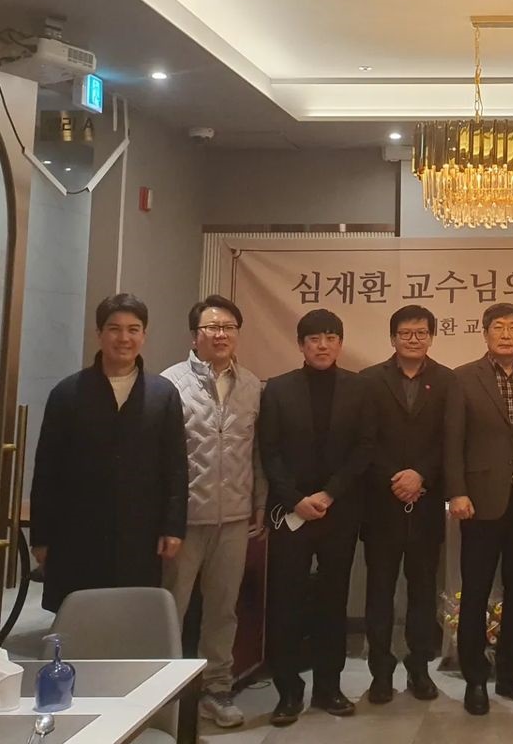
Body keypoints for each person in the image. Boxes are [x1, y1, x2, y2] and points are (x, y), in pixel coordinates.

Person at [30, 293, 187, 614]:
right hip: (77, 528)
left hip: (140, 530)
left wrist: (173, 527)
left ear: (144, 335)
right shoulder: (67, 393)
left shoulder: (163, 394)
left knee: (130, 616)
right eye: (114, 329)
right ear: (99, 333)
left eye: (133, 329)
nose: (124, 338)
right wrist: (41, 536)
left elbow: (175, 467)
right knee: (78, 617)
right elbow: (47, 469)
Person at [259, 309, 371, 727]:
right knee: (286, 601)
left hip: (339, 511)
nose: (322, 346)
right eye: (313, 339)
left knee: (333, 600)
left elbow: (364, 448)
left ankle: (329, 687)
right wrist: (295, 499)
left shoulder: (359, 388)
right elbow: (268, 451)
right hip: (291, 513)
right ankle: (288, 692)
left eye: (330, 338)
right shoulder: (278, 389)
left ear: (340, 343)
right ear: (301, 345)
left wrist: (329, 493)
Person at [161, 295, 267, 729]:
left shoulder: (253, 386)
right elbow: (159, 459)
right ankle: (161, 697)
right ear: (195, 336)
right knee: (170, 609)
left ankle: (216, 690)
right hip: (183, 522)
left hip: (234, 518)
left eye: (229, 327)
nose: (221, 334)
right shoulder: (169, 384)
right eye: (212, 327)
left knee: (223, 610)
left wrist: (259, 502)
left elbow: (258, 453)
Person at [445, 302, 513, 716]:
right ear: (485, 332)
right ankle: (475, 679)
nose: (506, 334)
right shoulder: (462, 377)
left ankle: (511, 673)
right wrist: (457, 491)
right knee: (475, 591)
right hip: (479, 501)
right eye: (498, 327)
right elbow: (452, 440)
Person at [358, 305, 455, 703]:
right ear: (392, 338)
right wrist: (395, 478)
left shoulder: (447, 380)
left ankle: (419, 669)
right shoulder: (369, 380)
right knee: (379, 594)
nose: (413, 339)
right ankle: (380, 673)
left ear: (431, 337)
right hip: (381, 505)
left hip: (426, 506)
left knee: (423, 593)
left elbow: (450, 439)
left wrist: (421, 476)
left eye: (421, 333)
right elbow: (364, 440)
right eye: (405, 333)